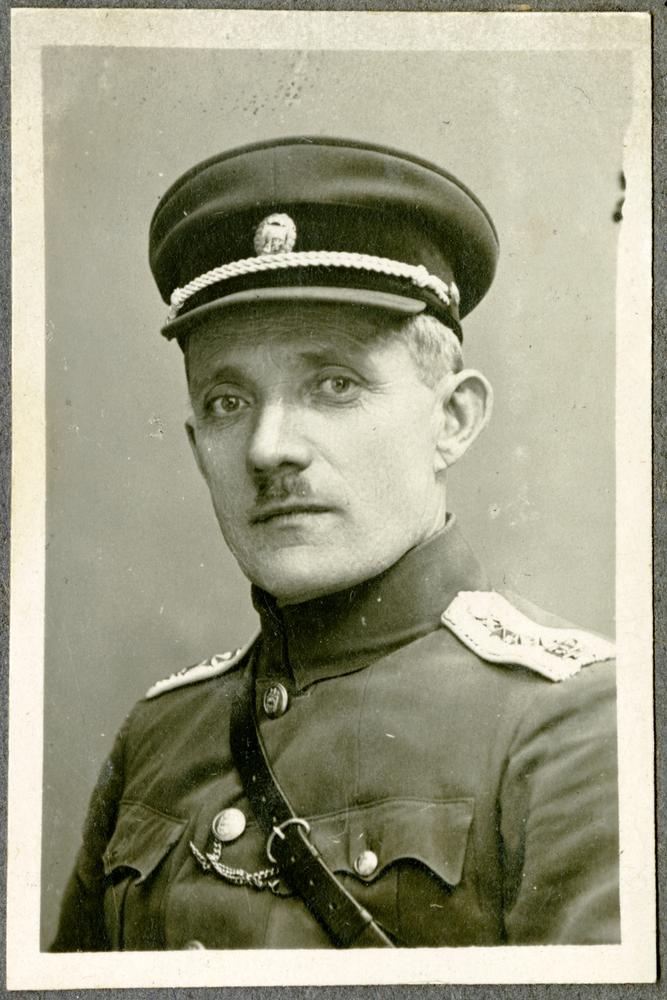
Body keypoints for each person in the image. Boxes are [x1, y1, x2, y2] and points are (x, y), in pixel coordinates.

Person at [51, 136, 619, 951]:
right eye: (226, 401)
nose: (268, 448)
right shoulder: (156, 737)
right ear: (196, 447)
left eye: (334, 385)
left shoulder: (574, 725)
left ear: (452, 420)